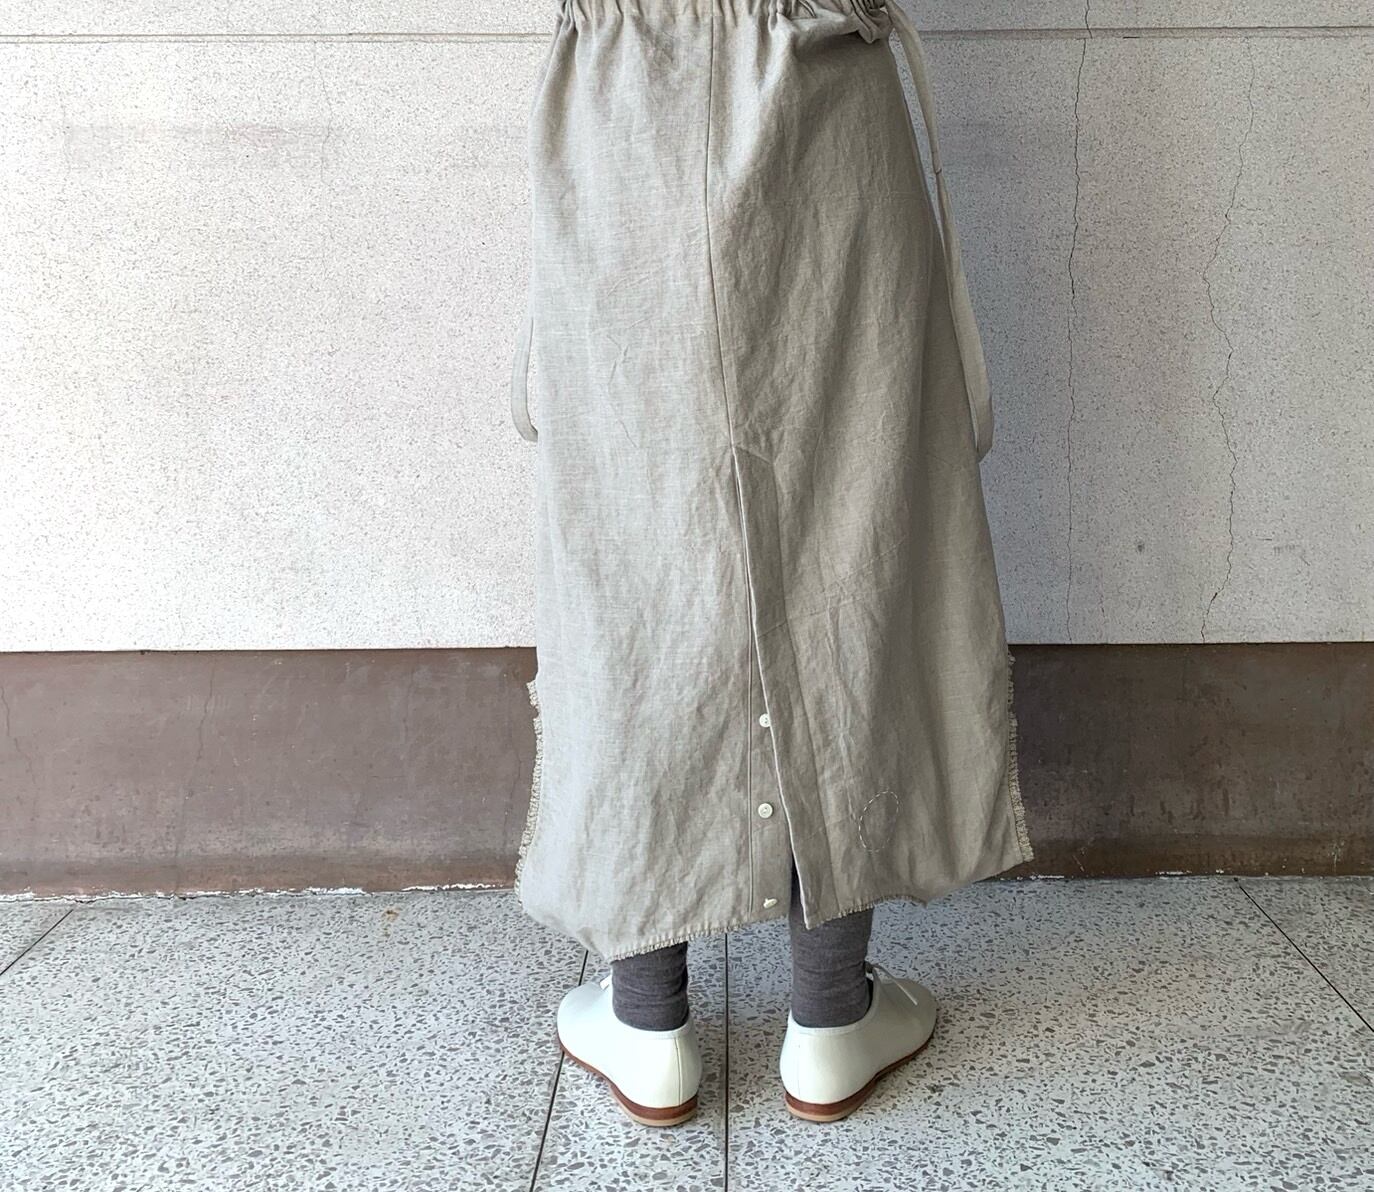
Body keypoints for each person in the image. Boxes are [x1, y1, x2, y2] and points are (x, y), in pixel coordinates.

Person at [509, 0, 1032, 1127]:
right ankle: (831, 1016)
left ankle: (647, 1021)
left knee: (634, 555)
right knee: (846, 535)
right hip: (828, 98)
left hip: (624, 107)